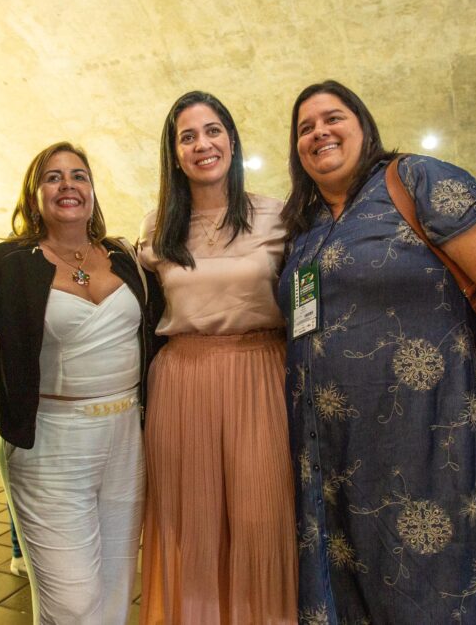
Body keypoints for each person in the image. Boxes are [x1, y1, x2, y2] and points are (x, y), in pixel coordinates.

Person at [278, 80, 476, 624]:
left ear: (364, 125)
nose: (319, 132)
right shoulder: (304, 231)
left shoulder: (416, 179)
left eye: (333, 118)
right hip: (328, 457)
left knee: (434, 593)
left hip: (426, 441)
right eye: (305, 128)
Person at [0, 142, 152, 623]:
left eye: (79, 176)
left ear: (92, 191)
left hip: (125, 440)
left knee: (115, 590)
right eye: (53, 177)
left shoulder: (125, 256)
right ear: (34, 195)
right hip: (51, 444)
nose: (68, 185)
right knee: (72, 602)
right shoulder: (6, 263)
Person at [138, 90, 297, 623]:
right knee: (192, 527)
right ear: (174, 152)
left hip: (260, 377)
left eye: (212, 131)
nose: (202, 144)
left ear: (232, 139)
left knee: (262, 519)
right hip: (182, 383)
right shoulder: (157, 225)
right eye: (187, 136)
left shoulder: (278, 215)